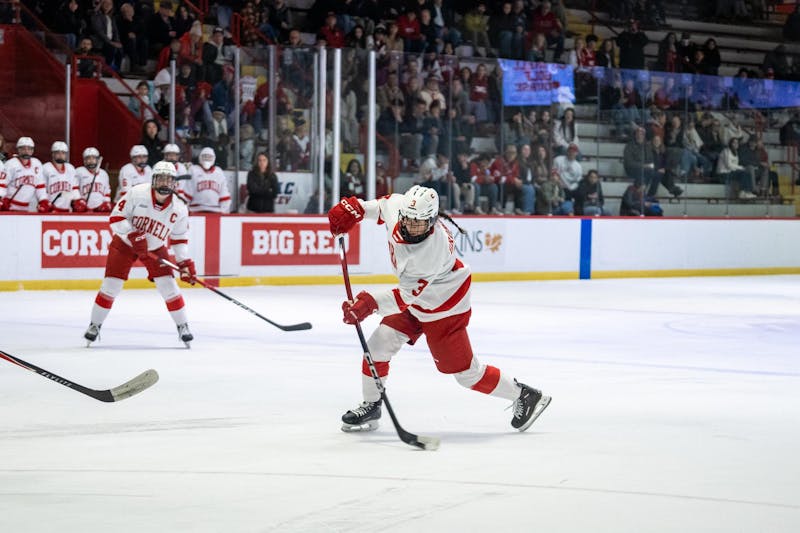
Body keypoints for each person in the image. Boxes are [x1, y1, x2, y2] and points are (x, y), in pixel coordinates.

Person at [327, 186, 551, 433]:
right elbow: (380, 207)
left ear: (432, 221)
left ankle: (524, 395)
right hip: (416, 301)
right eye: (408, 219)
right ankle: (372, 404)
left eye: (419, 223)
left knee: (467, 375)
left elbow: (403, 297)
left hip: (445, 306)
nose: (411, 226)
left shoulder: (433, 250)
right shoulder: (399, 206)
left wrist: (368, 304)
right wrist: (355, 209)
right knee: (378, 345)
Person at [84, 161, 195, 346]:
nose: (164, 183)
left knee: (169, 286)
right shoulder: (137, 193)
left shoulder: (180, 208)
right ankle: (94, 325)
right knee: (111, 285)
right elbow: (115, 217)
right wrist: (133, 234)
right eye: (160, 179)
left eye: (168, 180)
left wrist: (184, 263)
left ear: (175, 183)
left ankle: (183, 326)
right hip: (125, 244)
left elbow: (179, 238)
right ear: (153, 180)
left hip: (155, 248)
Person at [0, 137, 50, 213]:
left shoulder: (37, 164)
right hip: (10, 207)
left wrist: (43, 200)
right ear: (18, 150)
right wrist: (1, 200)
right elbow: (2, 184)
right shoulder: (10, 164)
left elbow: (40, 186)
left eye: (29, 149)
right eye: (23, 148)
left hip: (27, 208)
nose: (26, 151)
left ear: (32, 150)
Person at [184, 147, 232, 213]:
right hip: (196, 209)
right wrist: (186, 210)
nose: (207, 159)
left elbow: (224, 194)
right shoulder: (193, 170)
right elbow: (187, 192)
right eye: (205, 156)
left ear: (214, 158)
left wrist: (224, 211)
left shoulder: (219, 172)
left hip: (215, 210)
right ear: (200, 157)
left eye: (209, 157)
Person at [43, 141, 84, 213]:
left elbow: (74, 188)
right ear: (53, 154)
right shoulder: (45, 168)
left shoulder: (70, 168)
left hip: (67, 210)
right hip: (51, 210)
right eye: (58, 153)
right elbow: (42, 190)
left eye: (63, 153)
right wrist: (44, 202)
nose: (60, 155)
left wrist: (78, 200)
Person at [75, 147, 112, 212]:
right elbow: (74, 189)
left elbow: (107, 192)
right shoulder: (79, 172)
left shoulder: (104, 174)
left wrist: (106, 202)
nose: (91, 160)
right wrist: (78, 201)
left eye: (93, 158)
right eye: (88, 158)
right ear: (84, 160)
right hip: (83, 210)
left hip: (99, 209)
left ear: (97, 160)